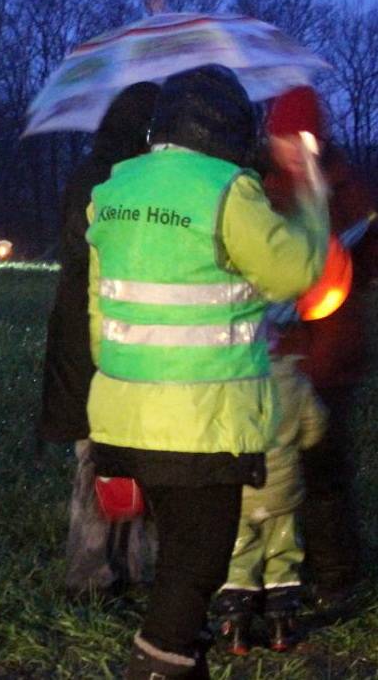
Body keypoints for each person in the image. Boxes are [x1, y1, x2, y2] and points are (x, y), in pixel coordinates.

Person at [85, 65, 328, 679]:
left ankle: (183, 663)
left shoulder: (113, 190)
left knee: (178, 559)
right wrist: (313, 196)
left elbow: (99, 312)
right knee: (197, 568)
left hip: (121, 415)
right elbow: (296, 273)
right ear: (226, 127)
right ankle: (158, 665)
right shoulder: (226, 190)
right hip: (205, 423)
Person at [37, 83, 161, 596]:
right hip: (97, 330)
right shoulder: (111, 179)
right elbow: (86, 248)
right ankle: (91, 571)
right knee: (101, 456)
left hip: (90, 327)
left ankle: (126, 565)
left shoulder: (104, 171)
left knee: (126, 452)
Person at [261, 86, 377, 612]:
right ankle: (278, 571)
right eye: (281, 137)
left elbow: (366, 264)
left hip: (331, 358)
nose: (290, 147)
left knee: (325, 471)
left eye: (299, 137)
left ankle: (336, 579)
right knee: (275, 469)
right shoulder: (261, 192)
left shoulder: (349, 193)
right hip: (278, 354)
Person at [215, 359, 325, 654]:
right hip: (282, 491)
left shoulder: (230, 379)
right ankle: (281, 627)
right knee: (283, 553)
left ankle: (236, 627)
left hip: (242, 489)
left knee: (239, 555)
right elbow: (315, 427)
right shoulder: (296, 380)